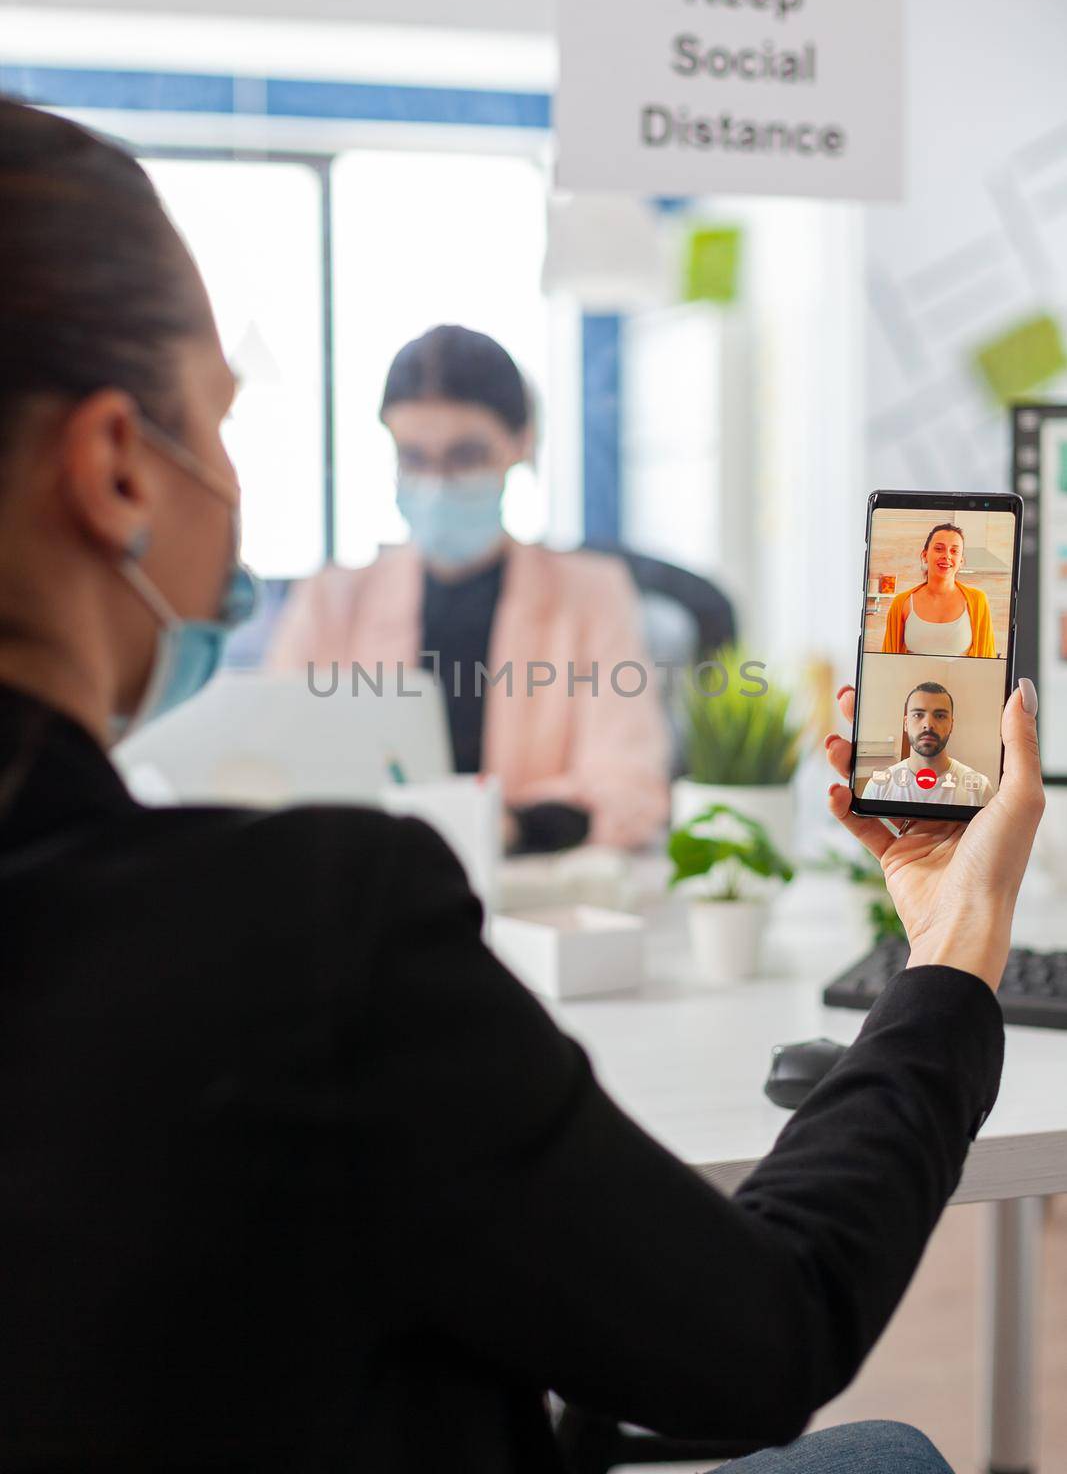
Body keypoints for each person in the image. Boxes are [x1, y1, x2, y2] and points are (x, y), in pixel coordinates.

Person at [0, 97, 1047, 1474]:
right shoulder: (319, 920)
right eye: (221, 419)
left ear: (512, 452)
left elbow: (612, 792)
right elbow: (756, 1337)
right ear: (117, 465)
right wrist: (953, 947)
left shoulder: (579, 601)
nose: (432, 480)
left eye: (460, 453)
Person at [267, 324, 669, 853]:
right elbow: (274, 766)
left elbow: (628, 790)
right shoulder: (330, 603)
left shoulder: (594, 596)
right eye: (414, 457)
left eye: (466, 456)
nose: (437, 482)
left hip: (533, 894)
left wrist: (500, 827)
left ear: (520, 444)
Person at [863, 682, 995, 808]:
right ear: (905, 724)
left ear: (951, 725)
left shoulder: (980, 789)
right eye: (918, 715)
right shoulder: (879, 786)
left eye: (940, 716)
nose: (928, 724)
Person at [881, 523, 996, 657]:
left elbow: (987, 659)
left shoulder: (977, 601)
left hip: (961, 678)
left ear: (961, 561)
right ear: (924, 555)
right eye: (939, 549)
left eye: (954, 551)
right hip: (912, 678)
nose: (946, 556)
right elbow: (888, 660)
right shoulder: (902, 603)